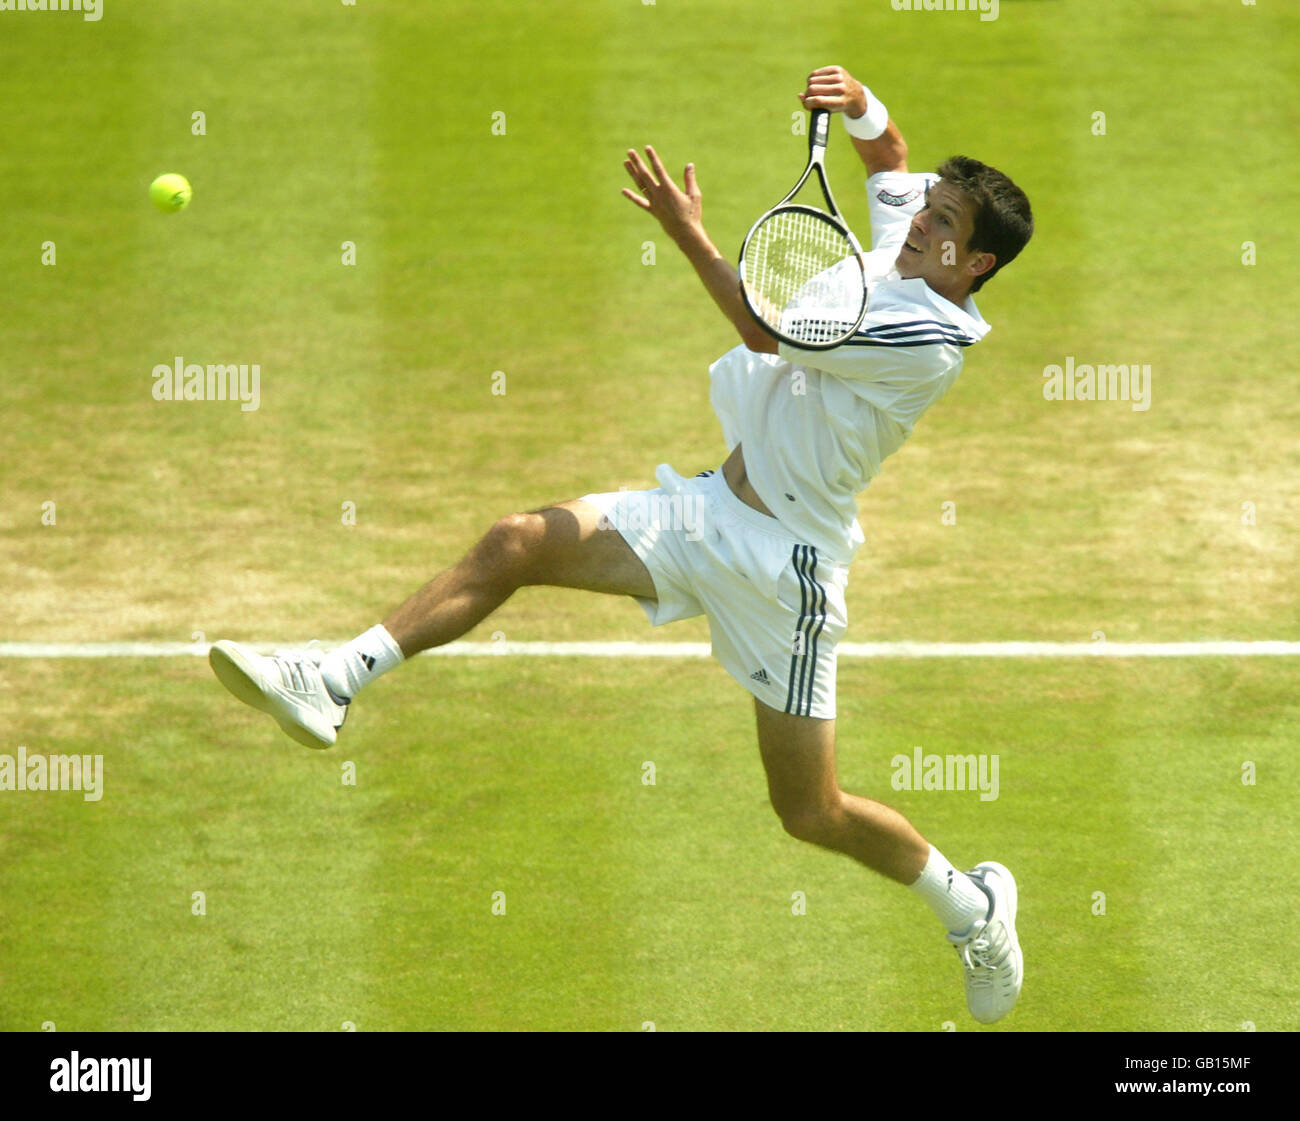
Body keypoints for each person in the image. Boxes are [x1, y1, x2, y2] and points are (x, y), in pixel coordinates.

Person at [209, 64, 1034, 1024]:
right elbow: (888, 157)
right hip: (704, 517)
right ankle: (332, 677)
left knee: (811, 812)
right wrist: (860, 102)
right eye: (930, 208)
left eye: (945, 227)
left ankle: (974, 908)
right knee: (518, 541)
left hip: (787, 573)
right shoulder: (906, 234)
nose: (924, 222)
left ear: (974, 266)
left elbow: (762, 331)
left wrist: (686, 231)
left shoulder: (928, 336)